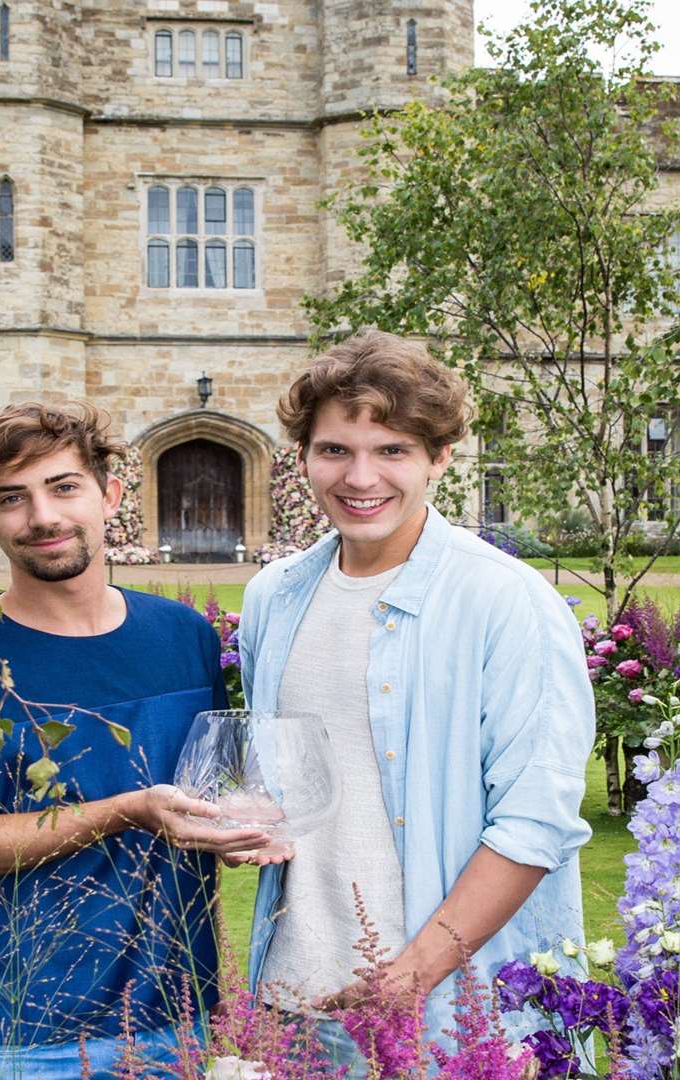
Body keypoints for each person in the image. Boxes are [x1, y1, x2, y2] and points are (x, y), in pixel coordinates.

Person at [237, 330, 597, 1073]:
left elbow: (535, 822)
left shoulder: (506, 601)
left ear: (439, 458)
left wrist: (410, 978)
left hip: (450, 1012)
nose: (359, 476)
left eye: (392, 450)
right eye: (335, 450)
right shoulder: (274, 596)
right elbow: (289, 783)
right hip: (291, 998)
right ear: (302, 456)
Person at [0, 402, 274, 1078]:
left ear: (111, 495)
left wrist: (241, 828)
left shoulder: (185, 637)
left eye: (64, 486)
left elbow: (221, 792)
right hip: (26, 1032)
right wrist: (125, 810)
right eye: (12, 499)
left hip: (182, 1014)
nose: (43, 517)